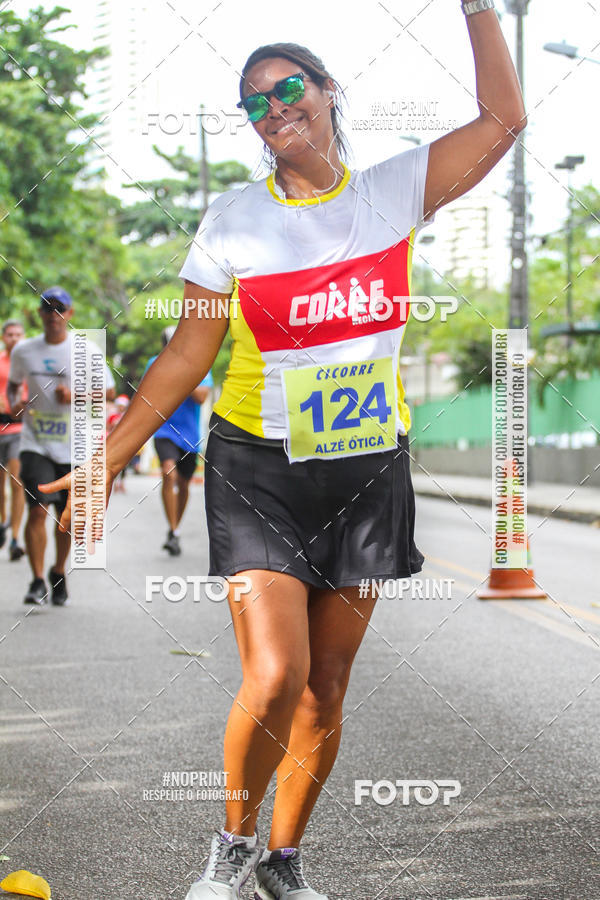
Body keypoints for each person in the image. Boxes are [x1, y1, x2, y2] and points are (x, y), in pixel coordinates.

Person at [42, 7, 526, 897]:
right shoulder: (232, 222)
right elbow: (188, 351)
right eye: (255, 102)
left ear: (329, 91)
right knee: (276, 676)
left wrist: (479, 10)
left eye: (288, 87)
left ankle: (285, 860)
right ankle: (231, 844)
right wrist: (111, 455)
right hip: (257, 466)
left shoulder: (394, 190)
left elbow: (504, 119)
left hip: (367, 469)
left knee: (326, 689)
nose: (273, 109)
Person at [8, 287, 115, 606]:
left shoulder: (87, 351)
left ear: (70, 314)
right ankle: (38, 579)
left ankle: (57, 570)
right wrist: (15, 404)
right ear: (39, 314)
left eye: (59, 309)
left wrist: (76, 397)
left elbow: (109, 394)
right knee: (38, 508)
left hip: (75, 446)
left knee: (66, 518)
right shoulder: (24, 351)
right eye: (47, 308)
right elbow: (14, 386)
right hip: (36, 442)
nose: (53, 315)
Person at [146, 326, 213, 556]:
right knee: (168, 473)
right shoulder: (155, 362)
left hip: (190, 435)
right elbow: (151, 391)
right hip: (164, 430)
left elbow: (201, 397)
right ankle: (173, 531)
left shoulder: (200, 362)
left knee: (184, 484)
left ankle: (175, 527)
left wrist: (186, 369)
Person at [0, 319, 26, 560]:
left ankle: (16, 536)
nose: (14, 338)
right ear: (3, 338)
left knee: (17, 482)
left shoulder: (28, 363)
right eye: (10, 335)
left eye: (19, 334)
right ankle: (2, 524)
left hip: (19, 428)